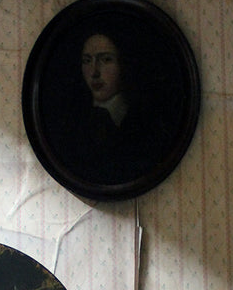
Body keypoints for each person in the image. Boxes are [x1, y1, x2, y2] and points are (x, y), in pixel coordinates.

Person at [50, 25, 176, 187]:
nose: (94, 72)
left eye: (106, 60)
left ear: (123, 63)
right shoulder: (70, 122)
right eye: (87, 61)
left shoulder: (146, 121)